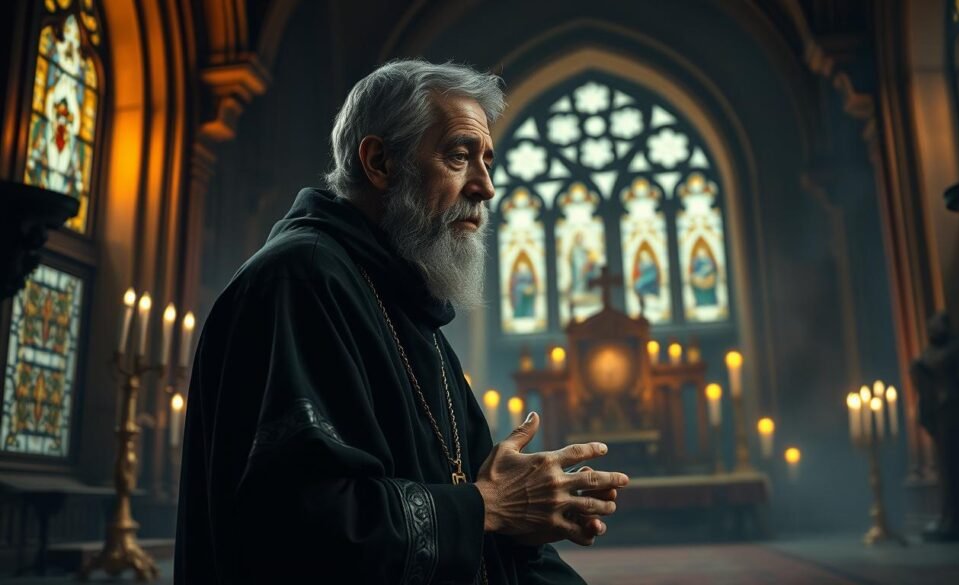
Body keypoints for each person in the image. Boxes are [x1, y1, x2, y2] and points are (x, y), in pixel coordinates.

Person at [174, 59, 629, 584]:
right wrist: (488, 507)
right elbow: (299, 527)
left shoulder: (404, 299)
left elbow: (489, 508)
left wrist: (523, 516)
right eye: (459, 156)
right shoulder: (300, 280)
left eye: (487, 161)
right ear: (379, 162)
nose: (485, 187)